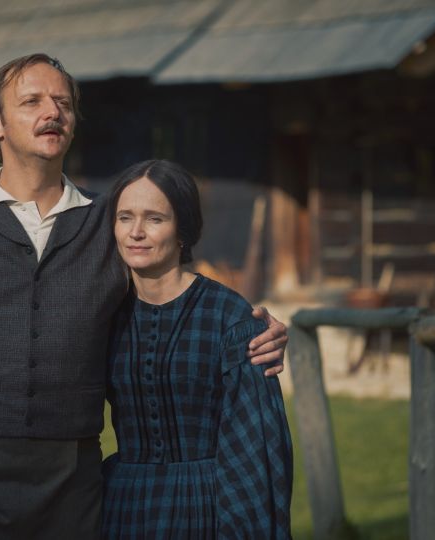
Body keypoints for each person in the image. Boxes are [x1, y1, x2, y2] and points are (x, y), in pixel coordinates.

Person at [0, 53, 288, 540]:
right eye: (32, 101)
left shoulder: (110, 224)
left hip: (71, 481)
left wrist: (248, 330)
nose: (52, 112)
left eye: (63, 102)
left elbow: (169, 298)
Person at [102, 160, 292, 538]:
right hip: (124, 509)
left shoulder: (230, 319)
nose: (136, 232)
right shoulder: (105, 315)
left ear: (183, 230)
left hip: (205, 508)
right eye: (125, 218)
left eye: (154, 219)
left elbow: (254, 451)